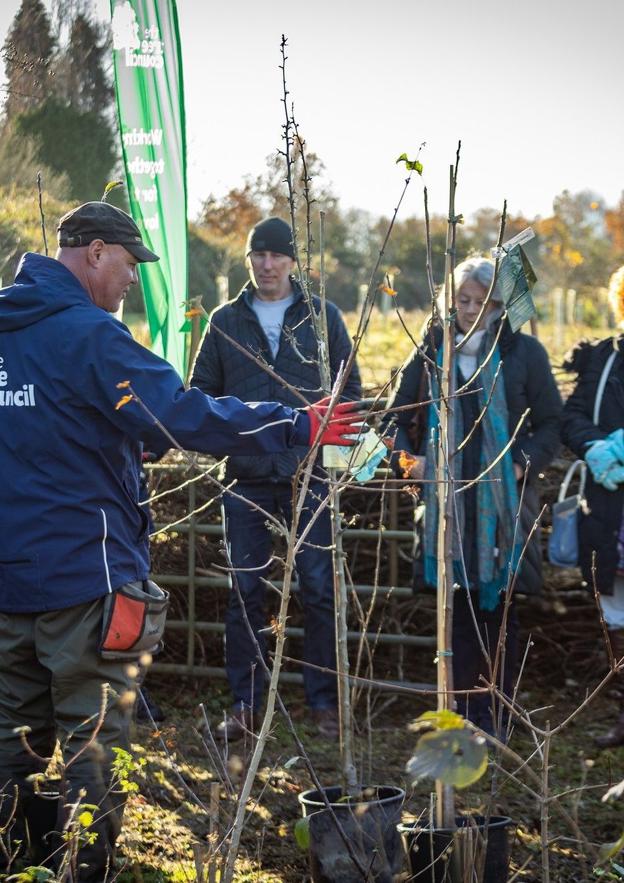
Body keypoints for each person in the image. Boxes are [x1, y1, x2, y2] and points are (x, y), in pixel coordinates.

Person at [0, 202, 363, 879]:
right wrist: (295, 424)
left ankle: (14, 858)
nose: (132, 282)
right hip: (87, 581)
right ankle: (85, 871)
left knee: (7, 740)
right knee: (94, 742)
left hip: (7, 581)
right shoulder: (90, 336)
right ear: (98, 251)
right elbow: (185, 413)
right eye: (131, 265)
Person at [191, 216, 362, 741]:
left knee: (318, 588)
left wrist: (329, 445)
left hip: (307, 474)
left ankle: (325, 702)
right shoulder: (223, 321)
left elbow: (348, 388)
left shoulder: (322, 316)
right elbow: (200, 393)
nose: (266, 265)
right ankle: (245, 704)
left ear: (293, 261)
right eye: (257, 256)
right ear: (248, 261)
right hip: (244, 477)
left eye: (276, 256)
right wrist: (231, 437)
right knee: (245, 589)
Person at [386, 257, 561, 735]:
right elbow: (395, 419)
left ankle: (496, 715)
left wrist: (523, 461)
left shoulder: (522, 353)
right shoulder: (430, 352)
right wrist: (409, 460)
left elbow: (551, 421)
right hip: (446, 506)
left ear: (497, 306)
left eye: (479, 302)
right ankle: (461, 715)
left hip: (504, 507)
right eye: (461, 300)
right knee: (456, 614)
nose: (468, 310)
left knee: (501, 612)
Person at [561, 265, 624, 748]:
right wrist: (597, 448)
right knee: (616, 612)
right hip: (609, 508)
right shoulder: (602, 359)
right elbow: (573, 416)